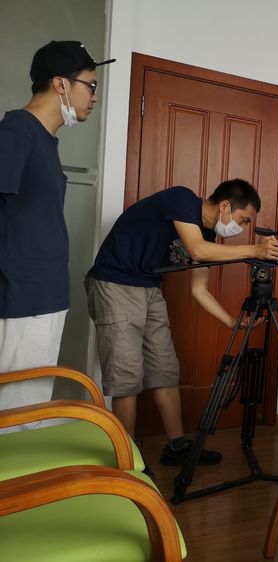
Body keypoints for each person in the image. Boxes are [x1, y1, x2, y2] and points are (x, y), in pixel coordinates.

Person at [85, 179, 278, 465]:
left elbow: (199, 289)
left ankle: (177, 447)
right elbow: (198, 250)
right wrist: (255, 251)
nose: (241, 227)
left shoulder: (207, 235)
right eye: (243, 220)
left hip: (149, 287)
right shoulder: (182, 199)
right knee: (126, 376)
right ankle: (127, 460)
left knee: (165, 369)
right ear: (225, 206)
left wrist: (230, 321)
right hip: (115, 284)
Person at [0, 41, 114, 431]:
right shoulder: (17, 131)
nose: (94, 97)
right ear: (60, 83)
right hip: (22, 296)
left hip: (42, 296)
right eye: (91, 85)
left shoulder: (44, 139)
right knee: (16, 418)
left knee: (31, 409)